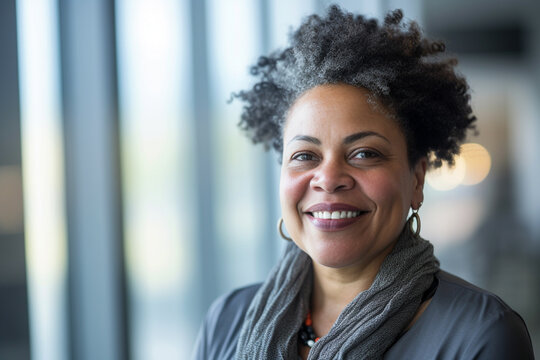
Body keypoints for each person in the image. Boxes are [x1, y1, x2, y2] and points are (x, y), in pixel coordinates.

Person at [192, 5, 534, 359]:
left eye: (364, 153)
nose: (328, 178)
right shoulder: (227, 321)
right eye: (305, 156)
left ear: (417, 179)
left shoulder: (481, 333)